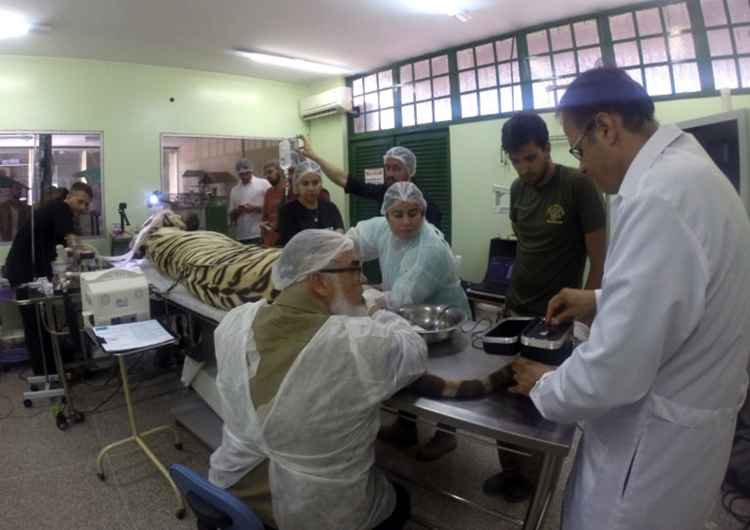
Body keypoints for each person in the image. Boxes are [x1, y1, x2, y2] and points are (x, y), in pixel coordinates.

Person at [510, 66, 750, 530]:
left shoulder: (659, 197)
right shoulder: (691, 174)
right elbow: (680, 290)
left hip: (652, 448)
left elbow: (615, 367)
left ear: (606, 127)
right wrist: (600, 298)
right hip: (690, 431)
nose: (579, 162)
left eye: (578, 147)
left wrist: (546, 384)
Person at [209, 229, 427, 530]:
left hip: (231, 494)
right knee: (401, 498)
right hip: (314, 516)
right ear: (319, 282)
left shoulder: (233, 323)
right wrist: (376, 312)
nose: (361, 282)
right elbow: (414, 349)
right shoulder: (355, 342)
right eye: (354, 269)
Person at [482, 112, 607, 502]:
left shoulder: (579, 185)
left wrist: (581, 319)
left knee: (539, 406)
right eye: (515, 160)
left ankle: (536, 487)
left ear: (547, 148)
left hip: (553, 317)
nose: (524, 168)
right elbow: (525, 246)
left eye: (531, 158)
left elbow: (600, 261)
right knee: (506, 398)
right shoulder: (519, 190)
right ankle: (511, 471)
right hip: (514, 307)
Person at [349, 181, 470, 462]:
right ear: (386, 213)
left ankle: (446, 433)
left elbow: (402, 296)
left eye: (413, 213)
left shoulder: (430, 248)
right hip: (409, 315)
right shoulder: (381, 228)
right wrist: (341, 260)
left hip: (443, 319)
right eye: (398, 214)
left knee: (445, 376)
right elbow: (353, 240)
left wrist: (367, 297)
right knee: (411, 368)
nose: (406, 222)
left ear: (423, 212)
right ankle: (406, 427)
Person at [3, 181, 93, 375]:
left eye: (87, 205)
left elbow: (61, 247)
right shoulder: (61, 208)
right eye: (81, 202)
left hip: (27, 271)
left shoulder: (54, 212)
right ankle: (48, 375)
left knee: (39, 325)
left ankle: (49, 371)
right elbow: (72, 241)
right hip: (25, 275)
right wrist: (86, 254)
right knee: (37, 326)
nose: (83, 208)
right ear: (69, 197)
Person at [299, 138, 442, 226]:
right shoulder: (384, 192)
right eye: (387, 168)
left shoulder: (426, 204)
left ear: (410, 171)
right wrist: (315, 157)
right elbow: (344, 179)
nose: (390, 174)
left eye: (396, 168)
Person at [277, 160, 344, 246]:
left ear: (321, 184)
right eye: (305, 184)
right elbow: (291, 245)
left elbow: (340, 233)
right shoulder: (287, 212)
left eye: (315, 183)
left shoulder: (330, 208)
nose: (311, 188)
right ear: (297, 185)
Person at [228, 158, 271, 245]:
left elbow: (273, 209)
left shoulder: (263, 184)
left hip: (259, 234)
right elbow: (231, 215)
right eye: (241, 174)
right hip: (241, 236)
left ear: (251, 171)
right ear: (238, 174)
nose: (244, 176)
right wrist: (237, 211)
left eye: (246, 173)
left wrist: (255, 208)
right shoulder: (235, 190)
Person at [259, 161, 287, 247]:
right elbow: (264, 216)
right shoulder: (268, 192)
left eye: (270, 172)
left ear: (279, 171)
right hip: (270, 239)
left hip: (285, 237)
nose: (268, 176)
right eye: (266, 174)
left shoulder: (289, 190)